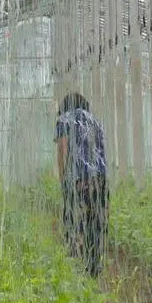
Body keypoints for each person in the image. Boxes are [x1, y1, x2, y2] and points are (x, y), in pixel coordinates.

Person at [54, 92, 108, 277]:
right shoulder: (95, 121)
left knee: (75, 221)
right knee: (96, 222)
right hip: (100, 180)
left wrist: (63, 179)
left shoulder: (64, 119)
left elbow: (63, 149)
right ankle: (94, 266)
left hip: (78, 181)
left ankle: (75, 265)